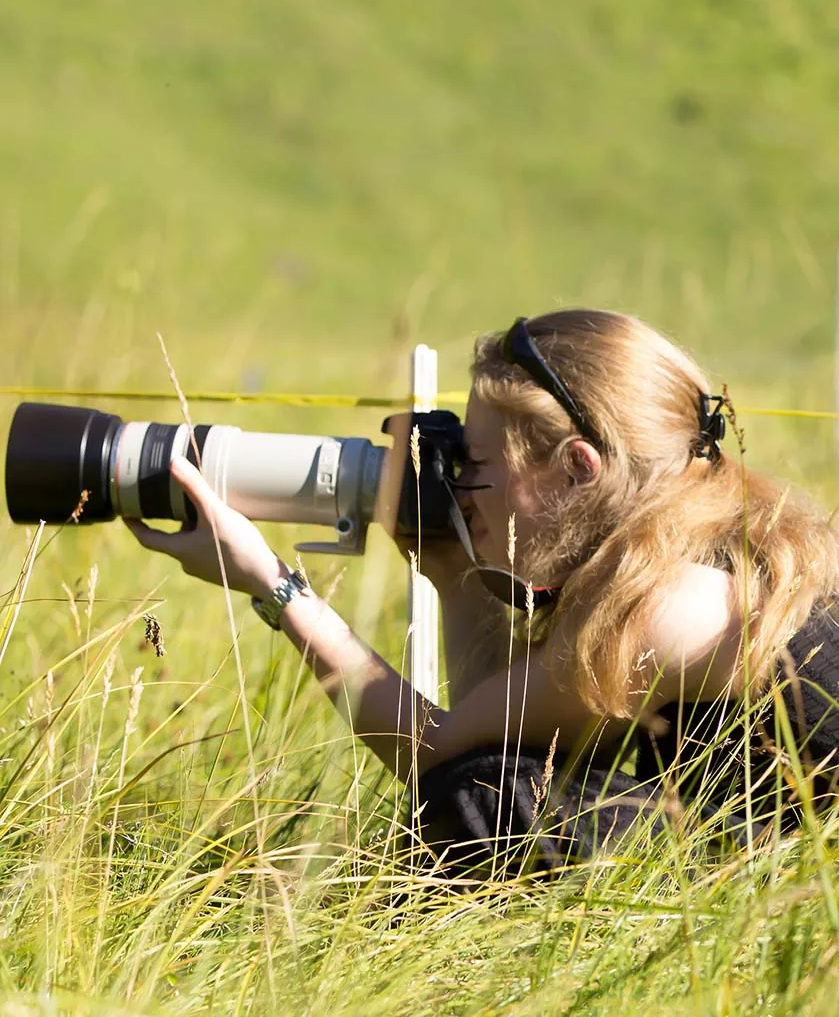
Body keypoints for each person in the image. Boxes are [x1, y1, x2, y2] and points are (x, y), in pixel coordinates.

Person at [125, 309, 839, 874]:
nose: (458, 484)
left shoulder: (672, 606)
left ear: (576, 467)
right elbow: (506, 738)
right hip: (770, 857)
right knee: (496, 789)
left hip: (802, 885)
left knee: (484, 806)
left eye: (475, 461)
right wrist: (451, 568)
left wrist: (274, 586)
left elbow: (436, 756)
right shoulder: (699, 538)